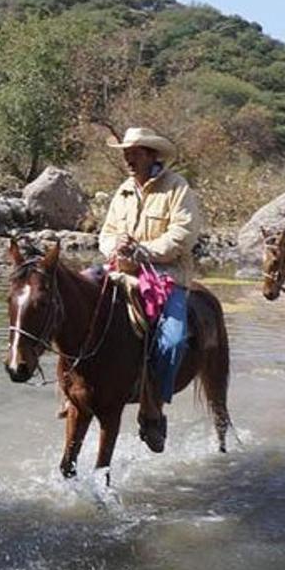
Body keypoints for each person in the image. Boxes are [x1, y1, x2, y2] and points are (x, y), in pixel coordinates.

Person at [97, 127, 204, 405]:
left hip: (166, 276)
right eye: (126, 155)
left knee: (173, 342)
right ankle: (73, 388)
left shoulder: (177, 187)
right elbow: (106, 234)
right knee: (73, 300)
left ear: (151, 155)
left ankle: (155, 402)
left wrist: (144, 252)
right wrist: (115, 247)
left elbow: (183, 234)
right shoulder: (124, 191)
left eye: (134, 154)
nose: (128, 160)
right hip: (121, 271)